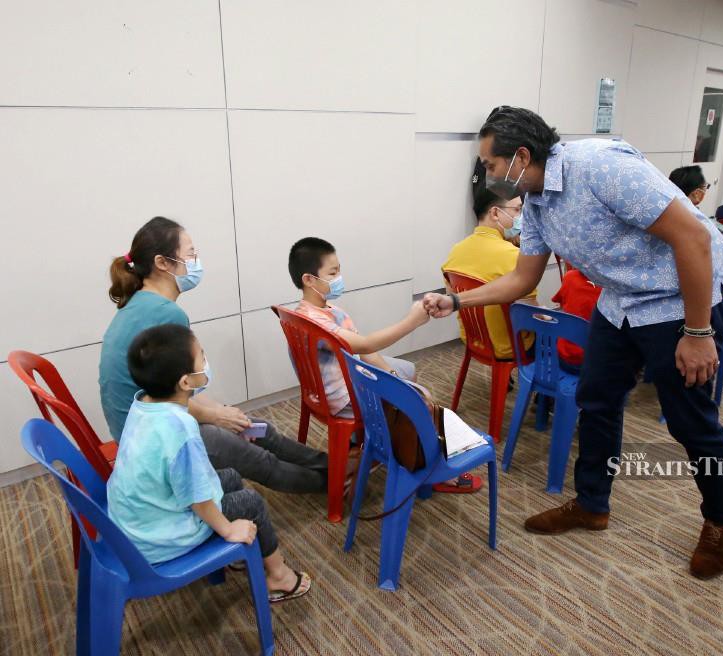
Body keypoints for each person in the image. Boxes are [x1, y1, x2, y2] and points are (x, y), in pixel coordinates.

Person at [423, 107, 723, 579]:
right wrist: (456, 302)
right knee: (596, 400)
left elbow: (694, 237)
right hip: (621, 301)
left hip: (680, 297)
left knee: (691, 421)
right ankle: (592, 504)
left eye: (490, 164)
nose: (487, 173)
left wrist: (698, 332)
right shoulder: (534, 201)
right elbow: (522, 278)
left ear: (520, 156)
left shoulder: (601, 167)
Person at [100, 217, 329, 494]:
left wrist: (218, 412)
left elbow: (181, 386)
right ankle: (334, 482)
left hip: (144, 426)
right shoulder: (165, 313)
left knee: (256, 428)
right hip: (157, 439)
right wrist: (215, 416)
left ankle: (330, 465)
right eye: (191, 254)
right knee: (256, 456)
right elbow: (171, 396)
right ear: (162, 263)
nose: (196, 261)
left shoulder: (140, 303)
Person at [108, 324, 310, 602]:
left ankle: (240, 552)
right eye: (201, 357)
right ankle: (278, 577)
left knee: (228, 476)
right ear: (185, 382)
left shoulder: (143, 403)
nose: (206, 362)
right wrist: (227, 528)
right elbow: (197, 498)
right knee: (251, 501)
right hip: (159, 536)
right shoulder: (181, 430)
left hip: (136, 521)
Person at [289, 237, 481, 493]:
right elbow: (366, 345)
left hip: (331, 384)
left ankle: (370, 441)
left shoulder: (318, 311)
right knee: (422, 400)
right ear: (309, 279)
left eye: (339, 270)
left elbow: (365, 351)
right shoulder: (319, 323)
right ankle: (430, 469)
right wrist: (412, 321)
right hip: (343, 398)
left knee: (405, 372)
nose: (339, 277)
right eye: (332, 273)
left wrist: (395, 378)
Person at [442, 164, 537, 360]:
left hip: (473, 339)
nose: (522, 217)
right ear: (495, 213)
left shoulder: (455, 252)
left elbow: (452, 297)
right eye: (518, 210)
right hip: (511, 345)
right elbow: (531, 315)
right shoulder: (515, 256)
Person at [551, 267, 602, 369]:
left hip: (563, 358)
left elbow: (562, 304)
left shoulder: (570, 277)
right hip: (593, 366)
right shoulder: (612, 289)